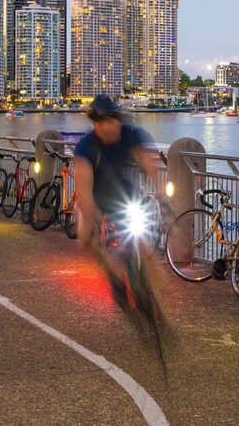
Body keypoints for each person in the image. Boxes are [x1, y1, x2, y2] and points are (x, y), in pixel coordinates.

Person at [73, 95, 169, 360]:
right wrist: (91, 219)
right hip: (96, 193)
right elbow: (85, 191)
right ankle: (110, 271)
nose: (106, 128)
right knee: (84, 235)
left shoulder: (131, 134)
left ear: (117, 119)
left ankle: (150, 295)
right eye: (99, 123)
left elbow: (149, 164)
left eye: (110, 122)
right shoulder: (85, 147)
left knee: (142, 241)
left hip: (123, 193)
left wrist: (162, 195)